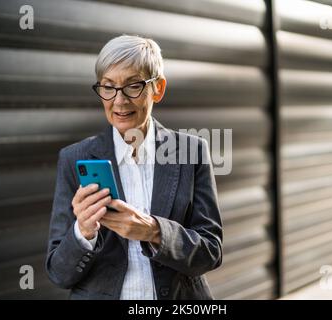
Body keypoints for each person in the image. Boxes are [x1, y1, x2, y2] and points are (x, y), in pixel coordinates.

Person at [45, 35, 223, 300]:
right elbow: (59, 273)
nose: (119, 101)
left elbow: (211, 252)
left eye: (133, 86)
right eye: (108, 87)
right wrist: (82, 232)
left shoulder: (191, 151)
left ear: (158, 89)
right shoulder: (73, 158)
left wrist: (153, 231)